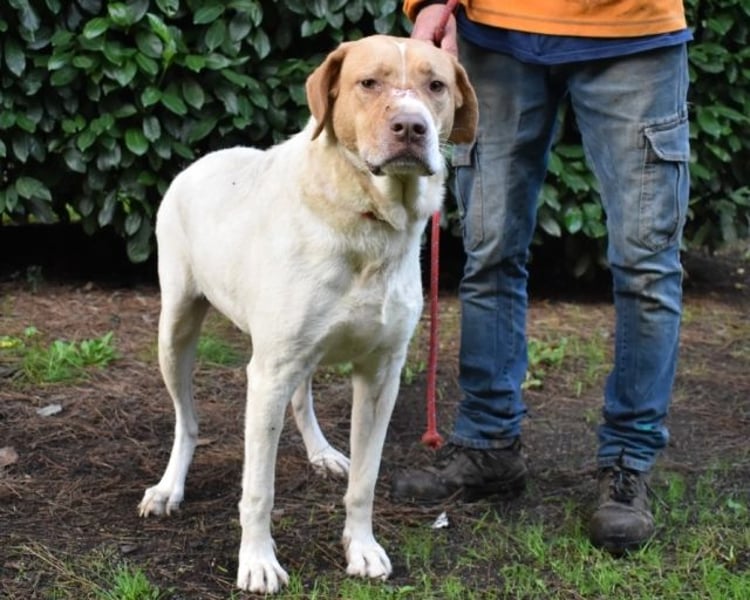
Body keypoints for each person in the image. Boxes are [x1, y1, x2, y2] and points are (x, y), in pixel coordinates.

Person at [391, 0, 691, 554]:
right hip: (496, 31)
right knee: (489, 252)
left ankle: (629, 460)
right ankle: (487, 444)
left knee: (646, 265)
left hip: (633, 33)